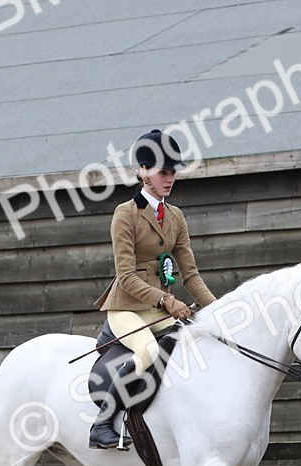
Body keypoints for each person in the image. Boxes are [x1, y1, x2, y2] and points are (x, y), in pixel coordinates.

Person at [89, 129, 217, 449]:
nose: (169, 178)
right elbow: (127, 275)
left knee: (191, 343)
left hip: (158, 308)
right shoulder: (125, 214)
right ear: (142, 172)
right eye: (163, 172)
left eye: (172, 172)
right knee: (147, 350)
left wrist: (218, 310)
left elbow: (190, 275)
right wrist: (167, 299)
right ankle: (103, 422)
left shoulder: (175, 216)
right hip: (126, 307)